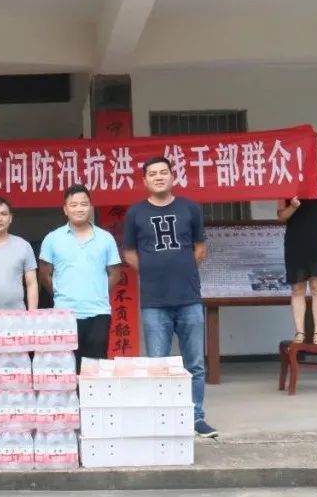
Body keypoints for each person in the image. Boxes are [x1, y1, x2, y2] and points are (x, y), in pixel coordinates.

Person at [123, 156, 217, 439]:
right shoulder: (135, 213)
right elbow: (129, 253)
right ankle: (162, 418)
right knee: (157, 365)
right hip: (154, 302)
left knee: (195, 364)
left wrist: (181, 269)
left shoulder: (190, 208)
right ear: (145, 180)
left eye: (164, 172)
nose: (159, 177)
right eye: (153, 174)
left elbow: (200, 249)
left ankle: (196, 417)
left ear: (172, 176)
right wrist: (153, 271)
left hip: (189, 297)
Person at [38, 184, 121, 371]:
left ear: (90, 207)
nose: (79, 209)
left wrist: (97, 291)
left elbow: (115, 273)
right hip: (65, 313)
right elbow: (44, 274)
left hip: (99, 312)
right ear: (65, 209)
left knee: (95, 368)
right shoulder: (53, 238)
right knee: (67, 367)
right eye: (73, 205)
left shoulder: (105, 238)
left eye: (84, 204)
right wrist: (60, 293)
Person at [277, 132, 317, 346]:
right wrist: (293, 206)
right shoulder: (284, 184)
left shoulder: (316, 182)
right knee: (298, 289)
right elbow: (281, 216)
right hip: (295, 241)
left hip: (316, 239)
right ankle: (300, 333)